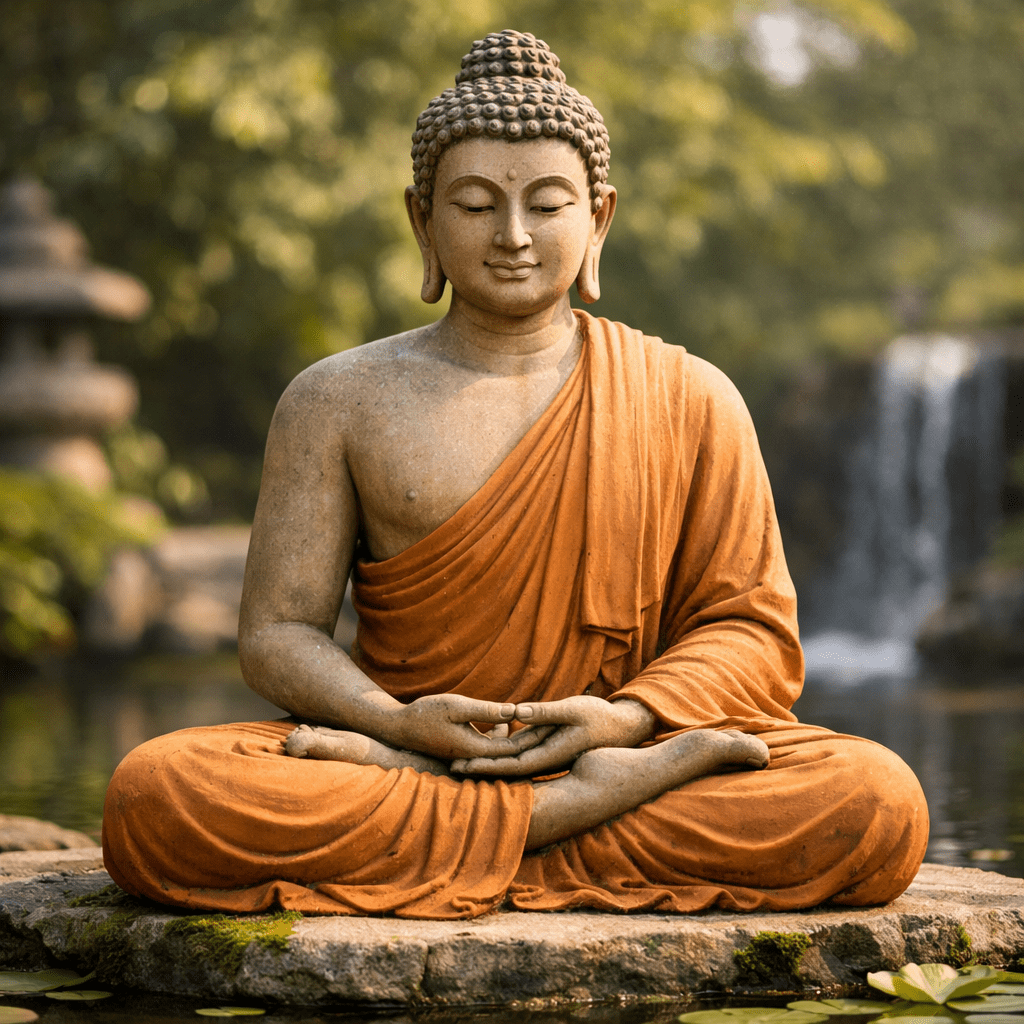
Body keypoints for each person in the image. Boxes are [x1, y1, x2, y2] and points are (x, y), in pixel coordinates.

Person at [102, 30, 929, 918]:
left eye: (547, 204)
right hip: (418, 745)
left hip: (593, 750)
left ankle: (492, 827)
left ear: (599, 218)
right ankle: (562, 821)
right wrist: (392, 722)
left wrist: (628, 720)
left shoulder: (690, 397)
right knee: (157, 794)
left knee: (874, 798)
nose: (513, 237)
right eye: (473, 205)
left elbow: (755, 632)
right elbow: (276, 636)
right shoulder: (336, 399)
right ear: (422, 219)